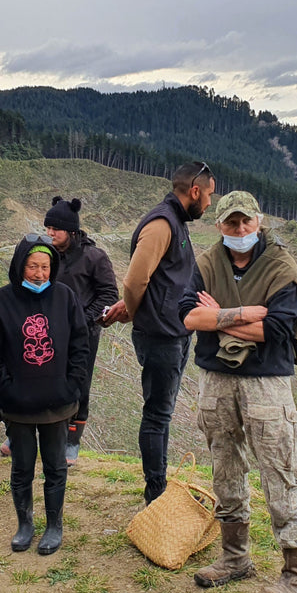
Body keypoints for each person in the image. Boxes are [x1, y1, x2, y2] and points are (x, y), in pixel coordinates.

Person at [180, 190, 297, 593]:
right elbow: (188, 316)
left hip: (266, 383)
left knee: (279, 471)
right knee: (225, 468)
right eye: (231, 223)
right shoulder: (207, 263)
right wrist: (244, 314)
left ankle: (295, 576)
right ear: (218, 225)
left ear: (259, 221)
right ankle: (234, 557)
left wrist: (217, 317)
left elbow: (278, 330)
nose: (239, 230)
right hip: (216, 379)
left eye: (246, 222)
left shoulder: (280, 267)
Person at [102, 161, 215, 503]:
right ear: (194, 191)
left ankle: (159, 487)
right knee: (157, 415)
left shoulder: (177, 222)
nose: (209, 203)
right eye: (209, 195)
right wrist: (132, 310)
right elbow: (135, 281)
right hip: (160, 336)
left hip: (174, 332)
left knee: (162, 413)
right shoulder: (162, 224)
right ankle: (156, 492)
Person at [0, 234, 89, 556]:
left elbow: (80, 346)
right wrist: (8, 387)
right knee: (22, 468)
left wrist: (71, 385)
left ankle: (54, 525)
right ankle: (24, 525)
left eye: (45, 267)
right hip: (18, 407)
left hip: (58, 405)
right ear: (19, 266)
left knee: (55, 467)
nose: (39, 274)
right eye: (32, 266)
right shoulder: (0, 302)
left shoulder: (65, 298)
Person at [1, 197, 118, 465]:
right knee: (34, 378)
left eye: (56, 229)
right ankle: (20, 434)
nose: (50, 233)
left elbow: (108, 295)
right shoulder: (44, 254)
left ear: (72, 231)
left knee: (78, 384)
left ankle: (71, 441)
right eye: (48, 228)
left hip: (81, 335)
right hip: (41, 331)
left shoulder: (94, 257)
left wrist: (80, 321)